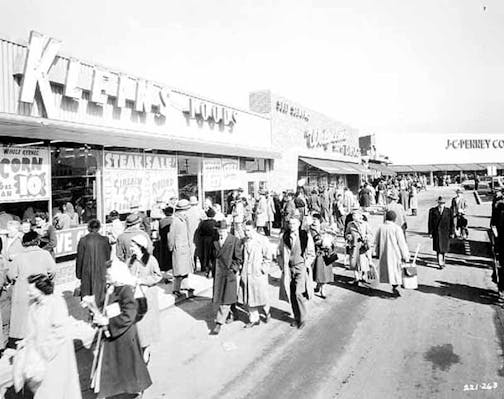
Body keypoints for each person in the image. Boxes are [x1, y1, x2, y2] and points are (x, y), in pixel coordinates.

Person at [91, 259, 152, 398]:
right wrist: (96, 315)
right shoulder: (112, 288)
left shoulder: (125, 289)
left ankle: (133, 390)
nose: (106, 277)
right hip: (116, 333)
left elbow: (129, 315)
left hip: (124, 335)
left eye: (108, 274)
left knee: (127, 365)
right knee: (119, 366)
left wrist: (107, 321)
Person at [17, 273, 82, 398]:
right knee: (44, 388)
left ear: (41, 290)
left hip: (57, 354)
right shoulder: (33, 304)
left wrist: (43, 349)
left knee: (56, 387)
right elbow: (33, 329)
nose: (27, 293)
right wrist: (27, 341)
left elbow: (60, 332)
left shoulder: (56, 302)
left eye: (30, 290)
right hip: (41, 354)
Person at [7, 231, 56, 347]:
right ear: (38, 242)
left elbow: (11, 275)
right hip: (41, 291)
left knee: (24, 322)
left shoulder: (18, 257)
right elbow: (53, 271)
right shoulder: (45, 254)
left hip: (23, 293)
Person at [128, 234, 162, 363]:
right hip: (134, 296)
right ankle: (138, 348)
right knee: (137, 325)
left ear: (140, 247)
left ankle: (146, 349)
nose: (131, 248)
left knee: (146, 325)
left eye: (133, 246)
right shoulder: (130, 260)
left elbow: (157, 276)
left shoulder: (151, 260)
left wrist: (142, 280)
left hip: (147, 297)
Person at [277, 217, 315, 329]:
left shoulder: (305, 236)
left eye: (294, 223)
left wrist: (306, 264)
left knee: (299, 293)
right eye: (290, 223)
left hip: (300, 267)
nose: (291, 225)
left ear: (298, 224)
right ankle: (296, 317)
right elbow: (278, 253)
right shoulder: (284, 237)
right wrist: (282, 266)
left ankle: (303, 319)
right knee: (292, 294)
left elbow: (312, 253)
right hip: (289, 268)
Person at [210, 220, 243, 335]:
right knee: (225, 296)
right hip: (218, 273)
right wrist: (210, 268)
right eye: (219, 230)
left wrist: (233, 269)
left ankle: (219, 323)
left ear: (227, 229)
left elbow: (238, 258)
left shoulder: (234, 241)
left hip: (229, 273)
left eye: (223, 230)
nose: (221, 232)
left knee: (225, 299)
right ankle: (235, 313)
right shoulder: (214, 240)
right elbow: (212, 256)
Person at [239, 220, 271, 328]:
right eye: (245, 230)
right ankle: (254, 318)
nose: (246, 233)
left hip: (258, 272)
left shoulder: (262, 240)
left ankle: (267, 312)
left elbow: (268, 257)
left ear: (254, 229)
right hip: (247, 272)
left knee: (261, 295)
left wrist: (263, 268)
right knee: (249, 296)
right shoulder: (243, 241)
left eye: (248, 230)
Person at [75, 219, 111, 308]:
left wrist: (78, 274)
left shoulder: (83, 240)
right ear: (99, 228)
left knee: (88, 294)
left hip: (87, 271)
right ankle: (99, 312)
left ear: (88, 228)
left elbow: (79, 259)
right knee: (100, 293)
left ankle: (92, 313)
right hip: (101, 271)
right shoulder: (105, 240)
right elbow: (108, 257)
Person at [374, 210, 410, 297]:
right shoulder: (397, 228)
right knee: (396, 270)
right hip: (395, 253)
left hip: (384, 253)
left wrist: (375, 252)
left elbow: (376, 241)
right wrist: (406, 255)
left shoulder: (381, 227)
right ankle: (396, 286)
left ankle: (394, 285)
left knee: (389, 270)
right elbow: (402, 243)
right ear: (394, 219)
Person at [168, 199, 195, 297]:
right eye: (186, 209)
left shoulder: (184, 219)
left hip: (185, 247)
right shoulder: (175, 220)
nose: (187, 211)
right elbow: (171, 236)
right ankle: (176, 289)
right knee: (179, 271)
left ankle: (185, 286)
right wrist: (171, 247)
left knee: (185, 269)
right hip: (179, 248)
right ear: (181, 210)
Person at [309, 214, 337, 298]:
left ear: (320, 220)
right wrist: (321, 241)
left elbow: (333, 237)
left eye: (316, 219)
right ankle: (318, 286)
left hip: (326, 253)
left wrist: (330, 241)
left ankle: (322, 289)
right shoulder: (310, 229)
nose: (314, 221)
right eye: (313, 219)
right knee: (318, 272)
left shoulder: (325, 228)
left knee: (324, 273)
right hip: (316, 252)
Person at [345, 210, 373, 285]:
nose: (353, 217)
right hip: (353, 245)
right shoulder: (350, 224)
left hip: (362, 245)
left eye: (355, 215)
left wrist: (366, 237)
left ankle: (364, 276)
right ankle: (356, 277)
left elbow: (370, 234)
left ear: (360, 216)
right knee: (354, 261)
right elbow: (346, 233)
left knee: (363, 261)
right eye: (353, 215)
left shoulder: (365, 224)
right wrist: (349, 236)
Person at [428, 196, 454, 269]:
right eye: (439, 203)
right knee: (438, 248)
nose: (441, 204)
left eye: (442, 203)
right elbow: (430, 222)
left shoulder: (449, 211)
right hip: (437, 232)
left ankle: (443, 260)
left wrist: (452, 232)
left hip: (445, 232)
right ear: (438, 203)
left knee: (444, 249)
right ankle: (440, 263)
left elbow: (452, 223)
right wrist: (430, 232)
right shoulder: (432, 211)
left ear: (444, 203)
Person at [187, 196, 206, 270]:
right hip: (199, 232)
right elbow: (204, 219)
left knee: (192, 251)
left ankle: (193, 266)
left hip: (190, 233)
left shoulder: (187, 212)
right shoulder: (200, 210)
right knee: (200, 249)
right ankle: (202, 267)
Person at [199, 208, 218, 278]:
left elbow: (200, 232)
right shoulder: (215, 223)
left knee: (206, 255)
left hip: (205, 240)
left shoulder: (203, 223)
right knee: (212, 256)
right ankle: (212, 270)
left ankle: (206, 270)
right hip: (213, 240)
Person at [158, 206, 174, 281]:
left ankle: (165, 270)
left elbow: (160, 232)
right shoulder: (174, 221)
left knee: (165, 256)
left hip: (163, 241)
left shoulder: (161, 221)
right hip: (172, 240)